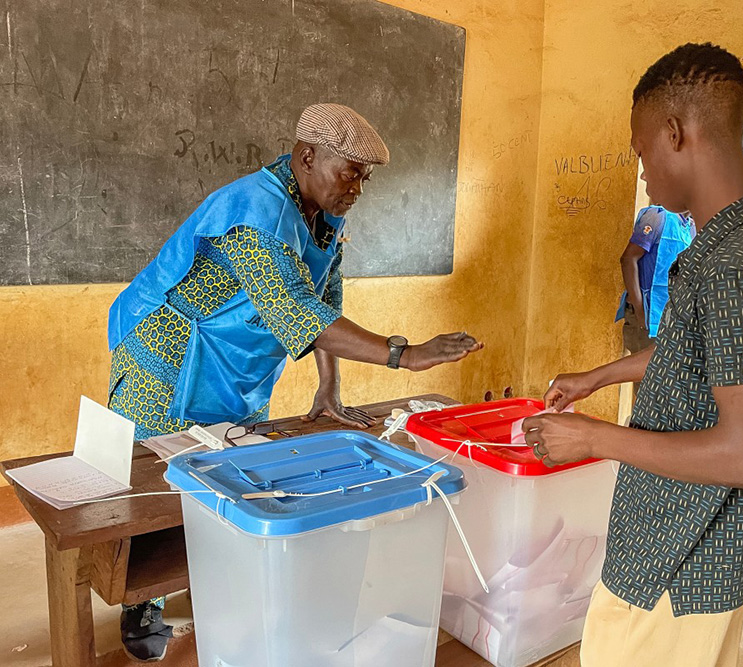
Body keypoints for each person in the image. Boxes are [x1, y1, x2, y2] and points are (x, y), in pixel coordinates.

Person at [106, 103, 482, 661]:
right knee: (162, 480)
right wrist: (404, 354)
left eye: (365, 176)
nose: (358, 186)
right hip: (167, 350)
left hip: (233, 362)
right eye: (349, 170)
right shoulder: (253, 209)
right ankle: (144, 603)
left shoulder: (324, 215)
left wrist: (327, 387)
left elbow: (325, 298)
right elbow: (294, 312)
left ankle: (215, 573)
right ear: (307, 157)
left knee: (223, 471)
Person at [523, 43, 743, 666]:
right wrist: (598, 376)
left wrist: (593, 439)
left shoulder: (733, 268)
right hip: (690, 547)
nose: (643, 172)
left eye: (642, 151)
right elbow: (692, 355)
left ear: (676, 134)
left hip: (679, 560)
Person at [616, 206, 693, 354]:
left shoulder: (688, 226)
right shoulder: (657, 217)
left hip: (667, 317)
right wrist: (639, 308)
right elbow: (629, 258)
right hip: (646, 313)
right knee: (644, 371)